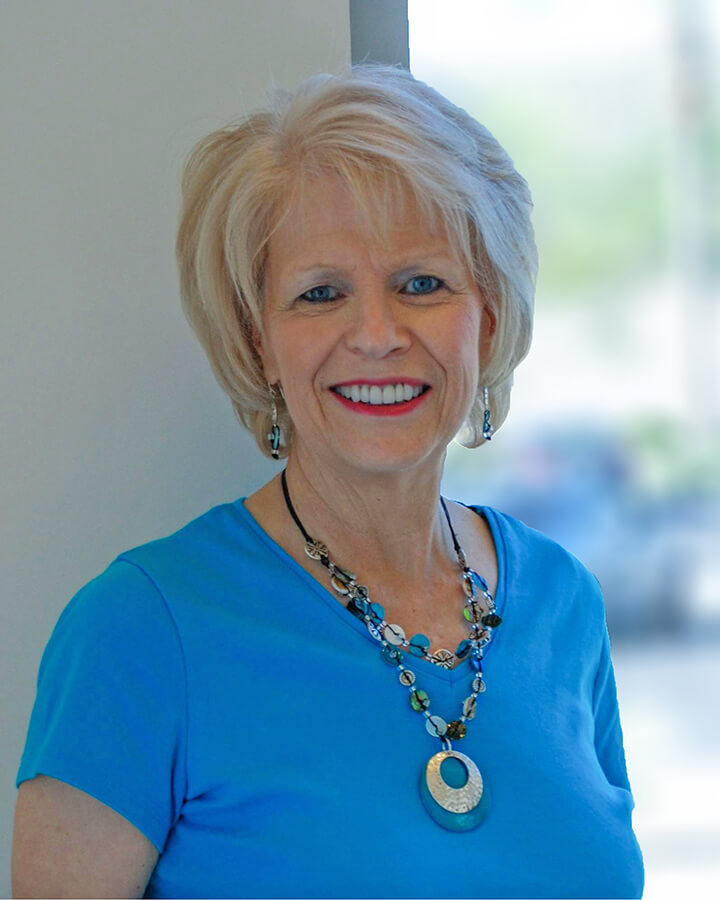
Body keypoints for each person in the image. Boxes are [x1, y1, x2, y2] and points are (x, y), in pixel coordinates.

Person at [12, 64, 644, 899]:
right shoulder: (137, 632)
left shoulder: (563, 600)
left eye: (422, 284)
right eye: (321, 294)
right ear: (259, 342)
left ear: (488, 319)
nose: (377, 334)